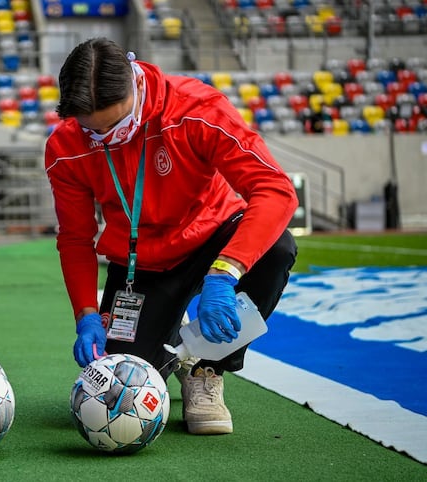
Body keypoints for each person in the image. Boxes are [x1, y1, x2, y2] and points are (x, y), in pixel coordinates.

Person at [44, 38, 298, 435]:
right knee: (119, 390)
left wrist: (226, 273)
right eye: (92, 129)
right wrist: (86, 314)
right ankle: (171, 339)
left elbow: (275, 190)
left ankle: (207, 368)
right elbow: (75, 238)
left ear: (135, 86)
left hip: (212, 237)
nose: (105, 137)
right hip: (139, 263)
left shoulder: (196, 109)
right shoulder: (65, 147)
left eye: (115, 124)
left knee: (277, 249)